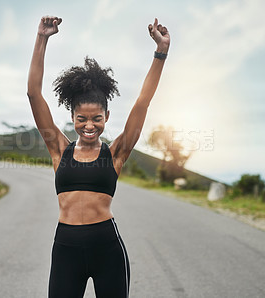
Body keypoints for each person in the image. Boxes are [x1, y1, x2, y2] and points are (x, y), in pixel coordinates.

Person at [27, 15, 170, 298]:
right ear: (72, 117)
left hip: (107, 248)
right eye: (82, 118)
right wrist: (42, 38)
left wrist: (161, 52)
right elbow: (33, 94)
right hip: (66, 248)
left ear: (107, 116)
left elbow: (143, 101)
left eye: (97, 118)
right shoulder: (59, 149)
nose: (89, 125)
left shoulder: (116, 153)